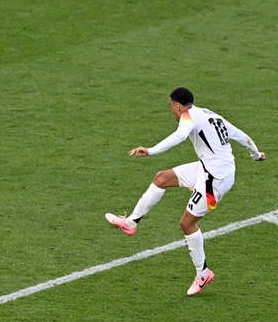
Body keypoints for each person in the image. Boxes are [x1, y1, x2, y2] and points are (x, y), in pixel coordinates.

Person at [105, 87, 265, 295]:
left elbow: (180, 136)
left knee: (187, 223)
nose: (171, 111)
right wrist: (255, 154)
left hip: (214, 179)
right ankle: (130, 223)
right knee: (161, 178)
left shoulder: (188, 117)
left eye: (171, 107)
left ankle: (203, 273)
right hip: (208, 168)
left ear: (178, 106)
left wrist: (151, 150)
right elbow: (241, 135)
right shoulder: (208, 113)